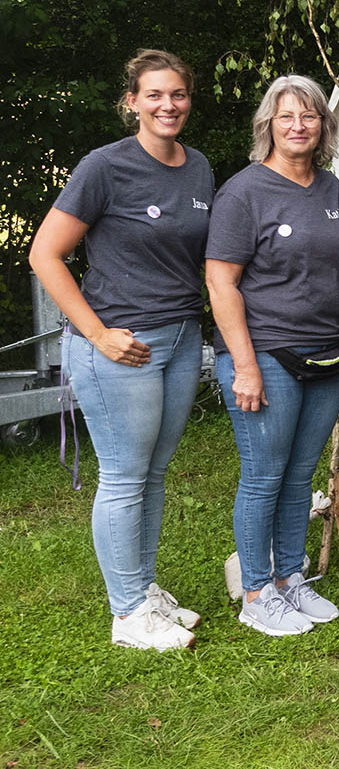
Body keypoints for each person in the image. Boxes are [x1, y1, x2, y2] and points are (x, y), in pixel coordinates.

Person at [28, 49, 212, 651]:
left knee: (154, 474)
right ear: (131, 101)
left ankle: (144, 589)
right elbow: (44, 254)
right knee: (125, 477)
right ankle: (128, 612)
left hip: (184, 337)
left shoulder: (199, 168)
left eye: (178, 94)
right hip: (121, 347)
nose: (168, 105)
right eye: (154, 95)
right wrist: (99, 332)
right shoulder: (104, 167)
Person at [206, 75, 339, 637]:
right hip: (266, 353)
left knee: (299, 478)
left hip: (328, 351)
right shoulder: (243, 192)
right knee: (264, 477)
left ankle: (289, 580)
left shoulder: (332, 189)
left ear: (325, 125)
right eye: (286, 116)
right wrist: (244, 365)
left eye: (310, 116)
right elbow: (221, 283)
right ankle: (254, 592)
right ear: (267, 124)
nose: (298, 126)